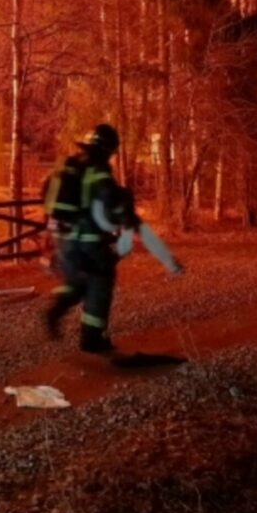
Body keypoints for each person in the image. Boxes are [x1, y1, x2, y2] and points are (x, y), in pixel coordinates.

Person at [42, 124, 181, 353]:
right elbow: (108, 200)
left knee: (76, 282)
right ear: (109, 149)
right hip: (88, 239)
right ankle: (91, 339)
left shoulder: (75, 164)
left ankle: (55, 311)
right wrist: (124, 214)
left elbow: (50, 196)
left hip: (64, 238)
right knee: (101, 282)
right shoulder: (99, 170)